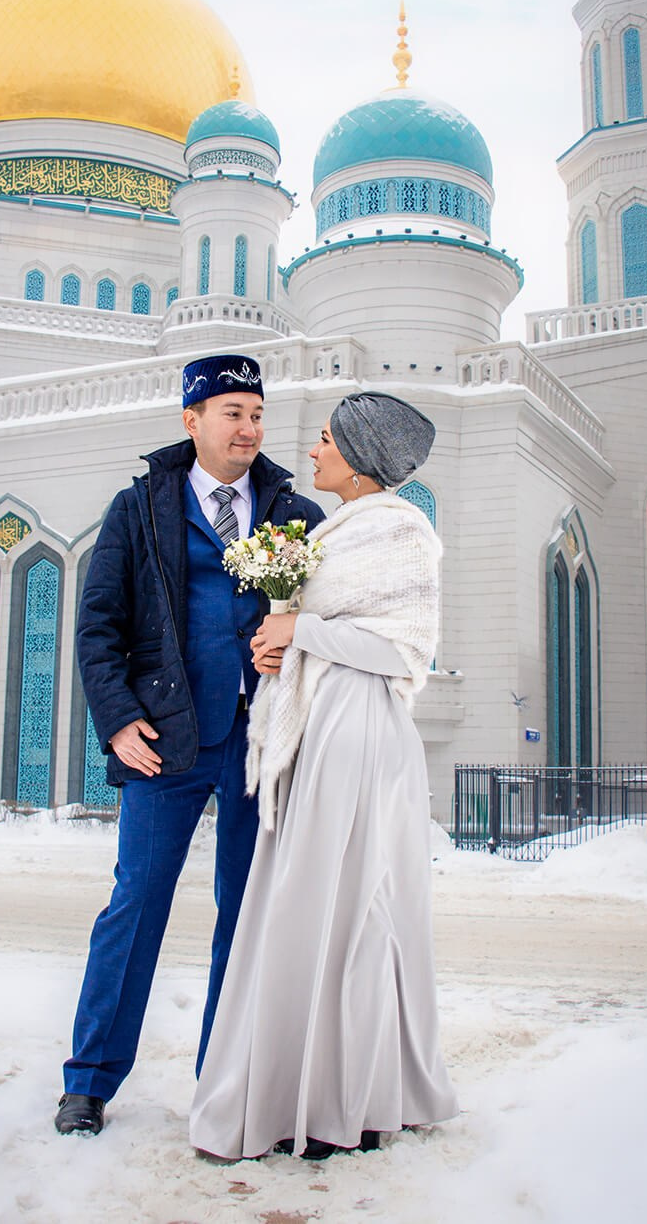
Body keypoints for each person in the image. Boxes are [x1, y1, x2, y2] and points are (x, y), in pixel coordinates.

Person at [55, 354, 325, 1136]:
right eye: (232, 412)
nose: (248, 428)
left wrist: (295, 640)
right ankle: (89, 1079)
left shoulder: (293, 512)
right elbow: (98, 625)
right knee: (135, 905)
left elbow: (322, 616)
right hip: (164, 741)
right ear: (192, 420)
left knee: (245, 914)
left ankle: (225, 1077)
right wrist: (114, 717)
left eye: (256, 414)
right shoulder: (139, 509)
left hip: (261, 741)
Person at [189, 392, 459, 1160]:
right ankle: (303, 1091)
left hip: (359, 731)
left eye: (325, 440)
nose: (311, 452)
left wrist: (299, 629)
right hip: (318, 725)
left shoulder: (400, 531)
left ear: (360, 454)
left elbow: (402, 651)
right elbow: (323, 631)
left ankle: (350, 1098)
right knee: (312, 904)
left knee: (350, 907)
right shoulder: (339, 529)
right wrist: (280, 646)